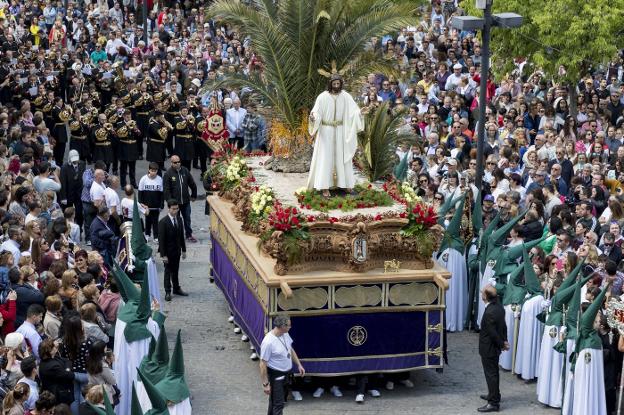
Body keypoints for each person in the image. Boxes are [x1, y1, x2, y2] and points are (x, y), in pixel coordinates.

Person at [307, 74, 364, 197]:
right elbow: (316, 112)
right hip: (325, 131)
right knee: (325, 158)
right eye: (334, 84)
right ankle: (324, 186)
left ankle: (344, 184)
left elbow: (354, 111)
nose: (337, 86)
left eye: (338, 84)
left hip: (341, 131)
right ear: (330, 84)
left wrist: (360, 113)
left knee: (341, 157)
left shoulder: (346, 96)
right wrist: (313, 117)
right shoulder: (322, 97)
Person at [259, 314, 305, 415]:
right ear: (282, 326)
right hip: (276, 376)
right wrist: (265, 384)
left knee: (274, 402)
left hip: (286, 374)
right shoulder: (268, 342)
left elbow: (290, 349)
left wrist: (299, 364)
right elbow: (262, 364)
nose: (290, 327)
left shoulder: (285, 334)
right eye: (288, 325)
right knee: (279, 404)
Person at [478, 285, 508, 413]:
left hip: (489, 348)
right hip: (494, 348)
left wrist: (502, 343)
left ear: (485, 296)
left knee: (491, 374)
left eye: (482, 292)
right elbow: (503, 326)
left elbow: (493, 333)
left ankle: (493, 403)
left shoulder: (490, 311)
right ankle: (494, 395)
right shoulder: (499, 307)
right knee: (493, 373)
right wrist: (504, 341)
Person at [162, 155, 198, 242]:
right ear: (171, 163)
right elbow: (166, 190)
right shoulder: (168, 174)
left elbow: (192, 183)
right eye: (175, 162)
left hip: (185, 201)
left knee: (187, 219)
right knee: (175, 220)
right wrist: (170, 203)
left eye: (179, 162)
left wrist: (193, 195)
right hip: (175, 203)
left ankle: (189, 234)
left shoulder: (185, 171)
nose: (178, 164)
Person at [158, 199, 188, 301]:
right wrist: (163, 255)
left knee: (175, 270)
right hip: (168, 252)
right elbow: (161, 240)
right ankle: (167, 291)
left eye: (177, 209)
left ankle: (176, 288)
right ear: (169, 209)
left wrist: (183, 250)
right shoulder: (163, 222)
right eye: (173, 209)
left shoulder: (179, 220)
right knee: (167, 271)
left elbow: (181, 236)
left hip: (177, 251)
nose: (175, 211)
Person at [138, 162, 164, 243]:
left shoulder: (160, 179)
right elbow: (140, 192)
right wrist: (141, 203)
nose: (153, 172)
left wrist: (161, 205)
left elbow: (162, 194)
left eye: (155, 171)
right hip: (146, 206)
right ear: (149, 170)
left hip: (156, 206)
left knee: (155, 221)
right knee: (148, 221)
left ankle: (156, 237)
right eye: (152, 170)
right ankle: (147, 235)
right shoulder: (143, 179)